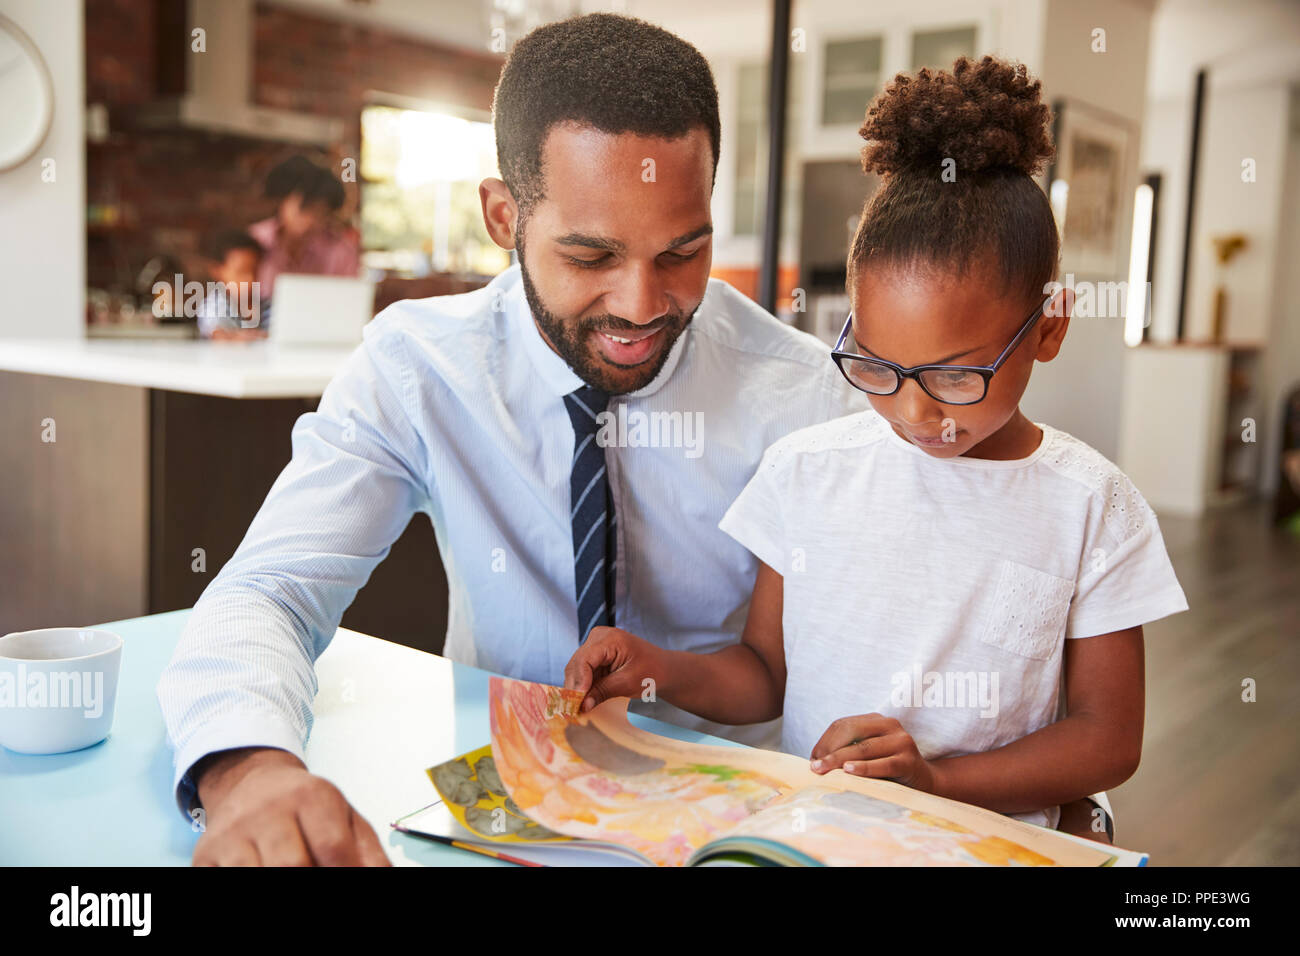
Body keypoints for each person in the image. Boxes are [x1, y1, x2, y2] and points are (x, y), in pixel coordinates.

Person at [156, 13, 867, 866]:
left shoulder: (807, 395)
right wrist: (249, 771)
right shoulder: (419, 366)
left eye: (683, 252)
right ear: (502, 215)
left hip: (738, 830)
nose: (642, 306)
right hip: (495, 820)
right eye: (590, 254)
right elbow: (268, 591)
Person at [564, 56, 1189, 843]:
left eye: (959, 375)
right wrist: (650, 663)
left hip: (987, 843)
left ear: (1051, 326)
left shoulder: (1093, 505)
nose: (916, 409)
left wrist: (935, 783)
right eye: (878, 367)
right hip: (815, 841)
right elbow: (765, 677)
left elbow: (1106, 739)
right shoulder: (805, 471)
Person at [248, 155, 359, 299]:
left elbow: (349, 304)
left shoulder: (340, 252)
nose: (311, 221)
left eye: (321, 213)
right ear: (283, 200)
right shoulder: (254, 241)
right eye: (306, 208)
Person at [196, 229, 270, 341]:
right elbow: (220, 336)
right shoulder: (213, 306)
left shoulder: (267, 305)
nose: (250, 279)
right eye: (242, 272)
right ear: (216, 271)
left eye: (255, 271)